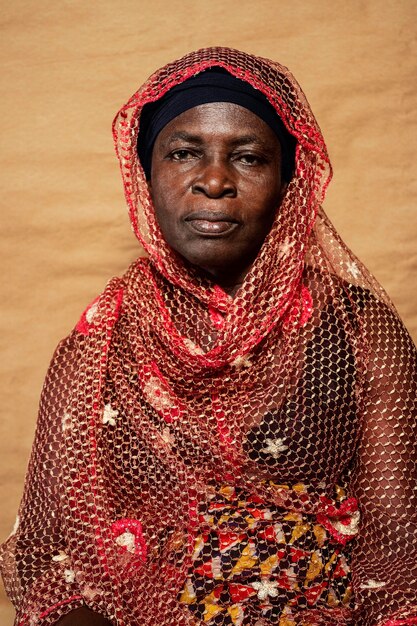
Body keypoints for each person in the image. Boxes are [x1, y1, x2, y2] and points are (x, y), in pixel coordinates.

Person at [1, 47, 416, 626]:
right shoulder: (96, 348)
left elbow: (401, 556)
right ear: (146, 175)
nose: (215, 180)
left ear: (289, 182)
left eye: (247, 157)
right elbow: (51, 561)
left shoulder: (360, 329)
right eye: (183, 153)